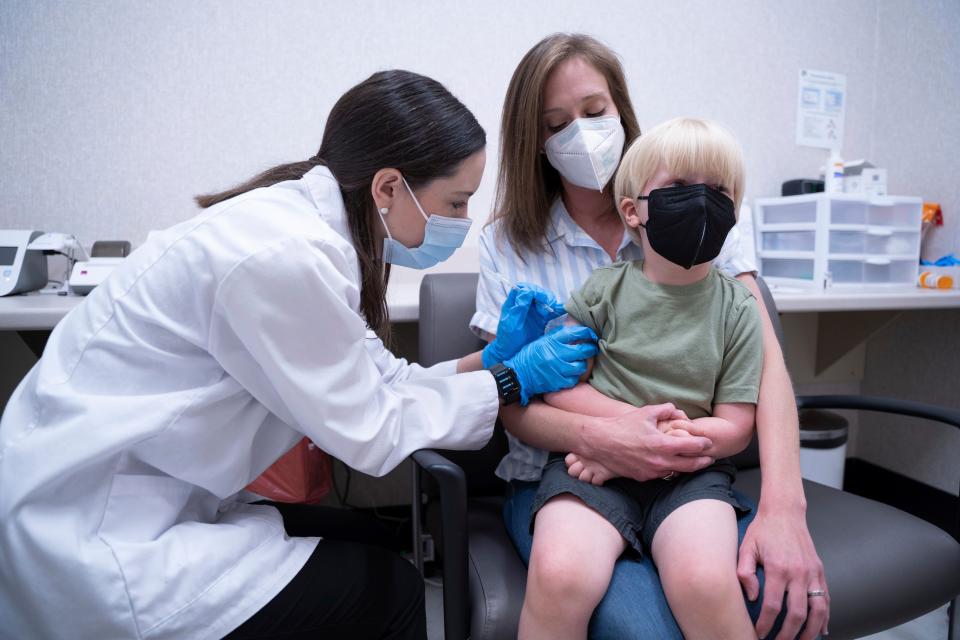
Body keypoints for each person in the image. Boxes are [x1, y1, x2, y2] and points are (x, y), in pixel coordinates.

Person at [0, 69, 594, 640]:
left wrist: (490, 362)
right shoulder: (286, 256)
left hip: (140, 492)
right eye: (457, 202)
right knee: (394, 594)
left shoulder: (306, 232)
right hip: (98, 537)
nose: (463, 221)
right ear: (389, 187)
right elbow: (372, 430)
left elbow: (382, 379)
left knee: (377, 541)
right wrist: (512, 380)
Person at [472, 34, 830, 638]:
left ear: (622, 110)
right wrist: (614, 437)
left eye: (594, 112)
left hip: (690, 472)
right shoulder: (511, 244)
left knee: (737, 598)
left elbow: (762, 368)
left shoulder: (704, 214)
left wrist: (784, 506)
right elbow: (515, 390)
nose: (581, 133)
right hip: (571, 471)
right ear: (532, 139)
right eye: (556, 124)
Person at [521, 117, 762, 639]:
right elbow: (563, 387)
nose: (701, 199)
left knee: (706, 583)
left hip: (692, 475)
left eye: (718, 190)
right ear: (633, 210)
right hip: (591, 463)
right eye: (678, 187)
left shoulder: (739, 307)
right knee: (560, 574)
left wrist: (665, 443)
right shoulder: (600, 292)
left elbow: (736, 427)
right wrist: (627, 433)